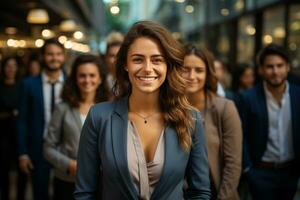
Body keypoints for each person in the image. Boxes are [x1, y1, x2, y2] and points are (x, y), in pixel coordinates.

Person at [74, 21, 211, 199]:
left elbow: (200, 192)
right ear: (125, 64)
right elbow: (85, 192)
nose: (147, 68)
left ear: (168, 65)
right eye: (138, 59)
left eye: (157, 60)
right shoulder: (99, 117)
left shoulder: (190, 118)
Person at [239, 44, 300, 200]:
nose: (275, 71)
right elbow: (240, 136)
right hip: (260, 173)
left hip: (291, 172)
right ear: (261, 70)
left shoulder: (298, 94)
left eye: (280, 66)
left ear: (287, 67)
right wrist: (248, 170)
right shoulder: (248, 98)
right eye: (270, 67)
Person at [44, 55, 108, 200]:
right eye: (82, 76)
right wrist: (68, 164)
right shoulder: (62, 109)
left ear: (100, 79)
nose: (87, 80)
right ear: (75, 79)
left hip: (102, 182)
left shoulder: (109, 109)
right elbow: (47, 147)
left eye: (92, 75)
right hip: (67, 181)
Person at [182, 45, 242, 200]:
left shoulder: (225, 108)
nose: (192, 76)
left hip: (218, 194)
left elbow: (233, 164)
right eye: (185, 69)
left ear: (208, 73)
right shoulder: (168, 108)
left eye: (199, 70)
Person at [17, 38, 66, 200]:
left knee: (65, 194)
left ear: (63, 57)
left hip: (66, 149)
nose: (54, 58)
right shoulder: (28, 84)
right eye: (50, 54)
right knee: (40, 194)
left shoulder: (71, 84)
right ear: (42, 57)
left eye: (58, 54)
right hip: (38, 149)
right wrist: (23, 153)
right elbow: (22, 121)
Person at [0, 56, 24, 200]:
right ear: (3, 68)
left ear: (17, 68)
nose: (10, 68)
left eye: (13, 65)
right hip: (2, 134)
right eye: (8, 65)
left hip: (19, 133)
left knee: (22, 171)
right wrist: (12, 113)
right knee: (3, 170)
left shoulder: (22, 85)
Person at [104, 31, 124, 96]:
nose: (116, 60)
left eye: (119, 55)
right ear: (106, 57)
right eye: (112, 56)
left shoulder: (131, 81)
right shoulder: (99, 80)